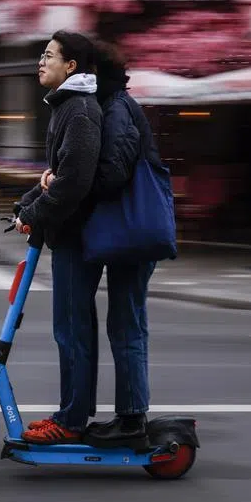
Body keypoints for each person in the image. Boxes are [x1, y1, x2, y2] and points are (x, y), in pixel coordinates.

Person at [14, 30, 104, 444]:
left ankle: (71, 422)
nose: (40, 61)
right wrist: (26, 204)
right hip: (69, 236)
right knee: (70, 329)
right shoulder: (66, 107)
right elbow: (55, 177)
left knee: (72, 331)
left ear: (71, 66)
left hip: (76, 238)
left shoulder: (80, 111)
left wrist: (35, 214)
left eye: (48, 55)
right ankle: (73, 413)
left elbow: (73, 183)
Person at [77, 41, 162, 444]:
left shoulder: (117, 109)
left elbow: (115, 173)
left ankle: (131, 421)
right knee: (127, 323)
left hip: (134, 234)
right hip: (133, 235)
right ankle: (131, 415)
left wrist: (76, 185)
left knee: (127, 325)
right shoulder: (115, 105)